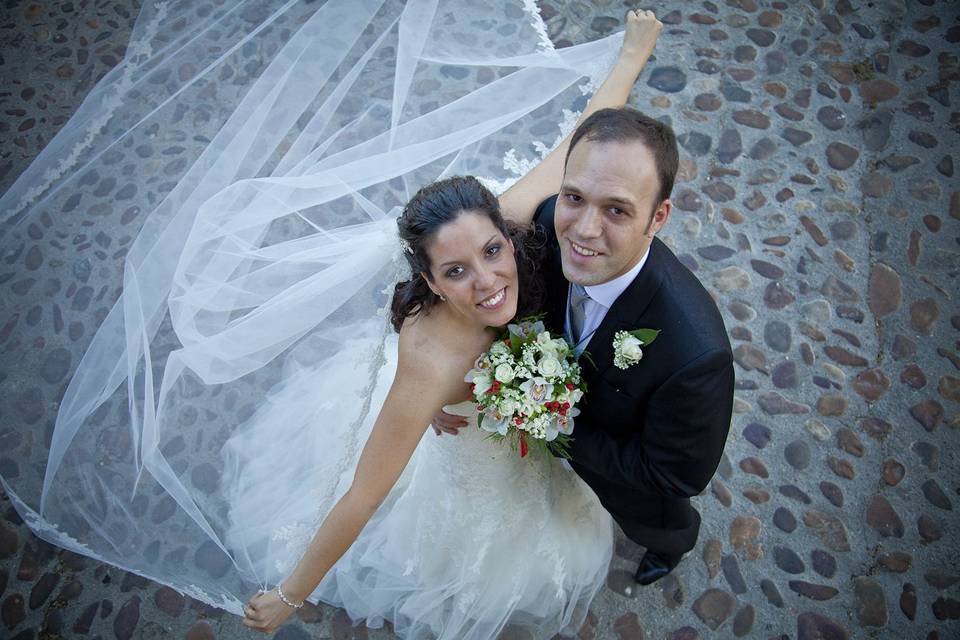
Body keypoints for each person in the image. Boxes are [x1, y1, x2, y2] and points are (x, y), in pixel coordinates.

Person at [239, 11, 664, 637]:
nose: (488, 282)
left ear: (504, 232)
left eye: (492, 252)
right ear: (432, 283)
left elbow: (574, 145)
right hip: (465, 439)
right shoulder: (430, 358)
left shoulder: (515, 224)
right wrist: (291, 595)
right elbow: (364, 493)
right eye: (457, 272)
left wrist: (631, 56)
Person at [435, 107, 735, 586]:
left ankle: (671, 547)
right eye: (575, 196)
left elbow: (676, 476)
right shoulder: (549, 225)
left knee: (662, 523)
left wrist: (552, 428)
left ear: (658, 217)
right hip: (529, 421)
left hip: (625, 480)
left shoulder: (694, 354)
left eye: (617, 210)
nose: (584, 231)